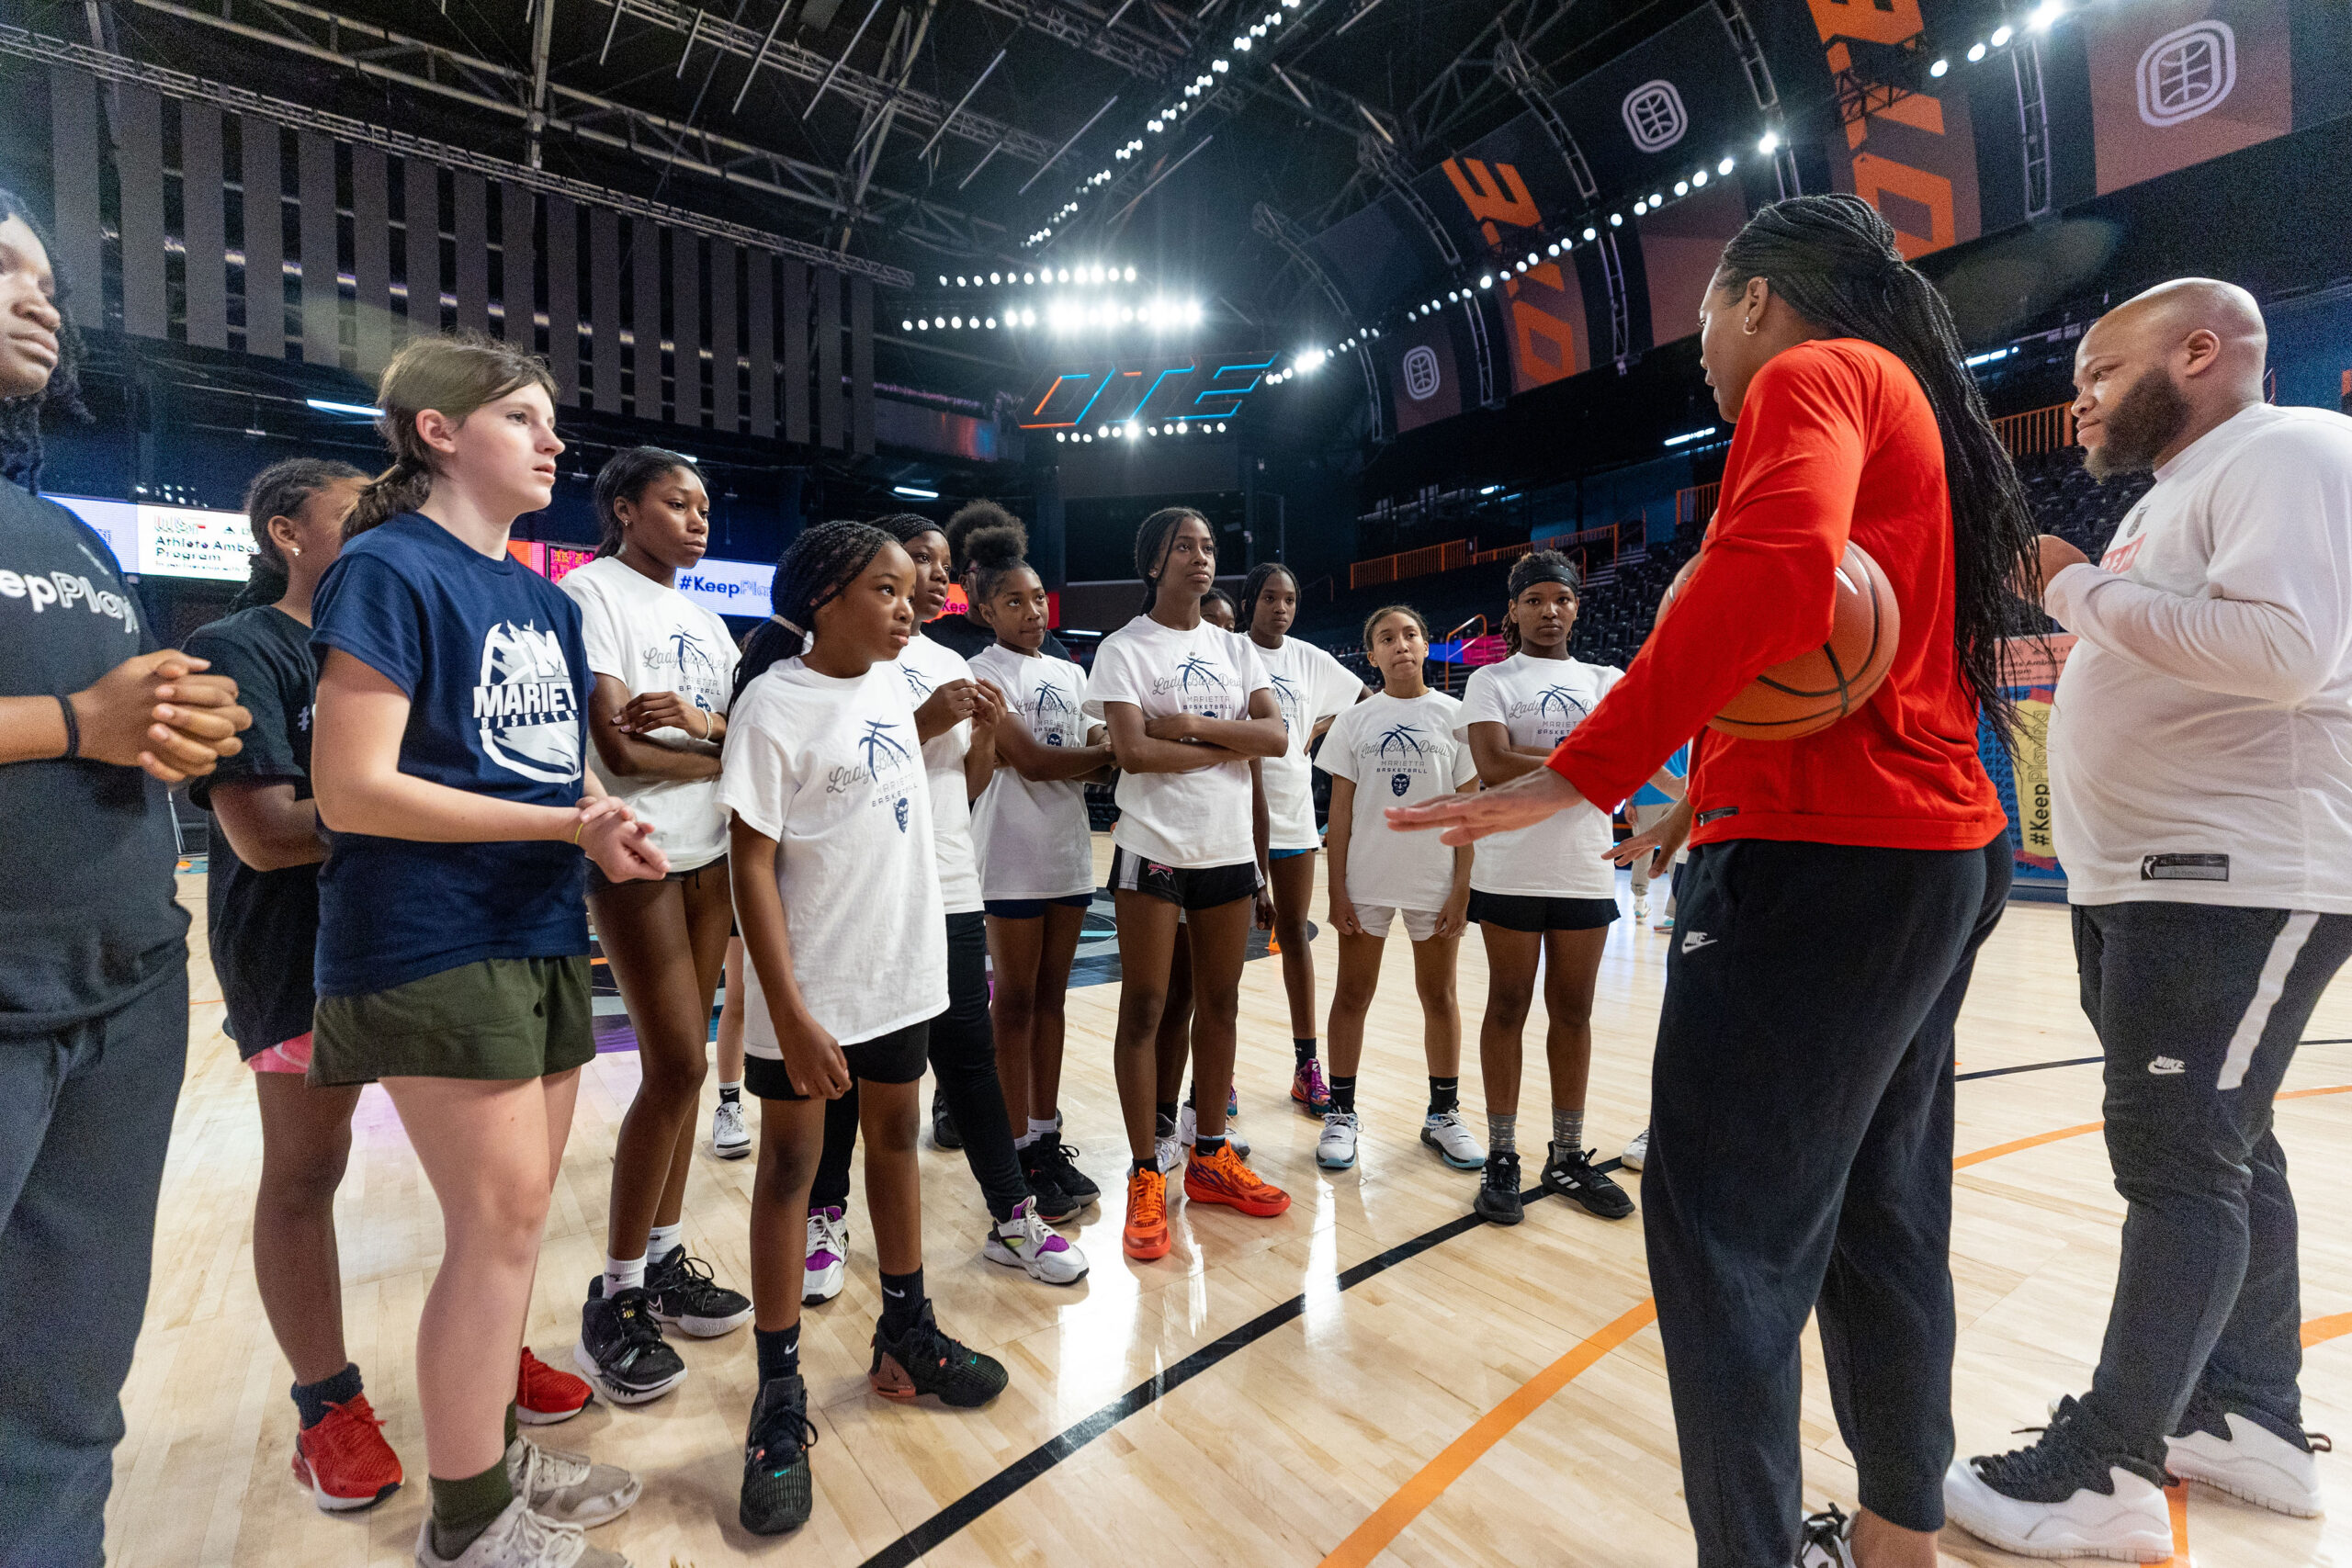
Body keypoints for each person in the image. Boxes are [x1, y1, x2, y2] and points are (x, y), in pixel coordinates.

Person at [1390, 195, 2034, 1568]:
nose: (1701, 360)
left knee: (1723, 1236)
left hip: (1827, 865)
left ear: (1755, 299)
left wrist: (1587, 768)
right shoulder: (1906, 397)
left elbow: (1789, 584)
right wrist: (1703, 786)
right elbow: (1843, 671)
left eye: (1702, 325)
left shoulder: (1813, 369)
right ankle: (1897, 1533)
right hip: (1931, 844)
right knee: (1884, 1205)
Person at [1944, 282, 2352, 1559]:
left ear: (2200, 350)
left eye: (2101, 372)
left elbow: (2288, 651)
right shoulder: (2176, 495)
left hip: (2243, 872)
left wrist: (2069, 591)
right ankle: (2249, 1417)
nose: (2080, 402)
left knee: (2179, 1163)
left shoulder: (2287, 450)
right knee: (2228, 1149)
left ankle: (2105, 1468)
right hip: (2160, 878)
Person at [308, 332, 664, 1568]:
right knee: (496, 1221)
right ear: (438, 431)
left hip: (538, 922)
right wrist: (563, 819)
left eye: (551, 419)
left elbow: (547, 769)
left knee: (517, 1226)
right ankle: (465, 1526)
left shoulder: (544, 599)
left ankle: (494, 1460)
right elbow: (354, 789)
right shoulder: (386, 568)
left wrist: (598, 826)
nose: (554, 439)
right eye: (523, 416)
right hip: (429, 931)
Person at [0, 191, 254, 1568]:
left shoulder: (64, 530)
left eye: (46, 276)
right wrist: (74, 724)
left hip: (120, 995)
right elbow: (78, 716)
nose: (40, 298)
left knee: (63, 1394)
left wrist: (174, 725)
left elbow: (121, 719)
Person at [721, 522, 1011, 1538]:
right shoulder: (772, 704)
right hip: (815, 985)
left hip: (902, 968)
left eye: (910, 590)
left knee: (895, 1143)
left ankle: (905, 1334)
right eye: (885, 590)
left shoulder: (895, 684)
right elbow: (748, 865)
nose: (908, 604)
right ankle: (778, 1390)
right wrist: (786, 1010)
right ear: (823, 598)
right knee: (791, 1175)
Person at [191, 459, 413, 1512]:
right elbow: (268, 833)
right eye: (353, 511)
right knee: (306, 1173)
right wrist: (423, 813)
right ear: (287, 532)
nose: (378, 526)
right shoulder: (238, 647)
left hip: (416, 937)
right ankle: (327, 1407)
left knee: (479, 1173)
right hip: (297, 951)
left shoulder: (392, 638)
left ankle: (485, 1359)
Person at [797, 513, 1087, 1301]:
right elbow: (843, 773)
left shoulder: (944, 660)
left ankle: (1012, 1215)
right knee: (851, 1068)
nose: (933, 575)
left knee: (970, 1057)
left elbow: (964, 785)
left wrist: (985, 734)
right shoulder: (834, 662)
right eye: (915, 562)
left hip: (949, 880)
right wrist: (933, 718)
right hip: (860, 887)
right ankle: (826, 1216)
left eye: (940, 564)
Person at [561, 446, 752, 1408]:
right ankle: (618, 1289)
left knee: (683, 1062)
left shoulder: (706, 617)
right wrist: (711, 750)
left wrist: (707, 740)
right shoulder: (591, 595)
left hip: (711, 852)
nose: (695, 516)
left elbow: (741, 735)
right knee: (677, 1063)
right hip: (638, 850)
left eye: (703, 502)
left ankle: (665, 1259)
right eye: (675, 501)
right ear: (625, 509)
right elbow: (619, 751)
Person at [1087, 507, 1291, 1261]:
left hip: (1228, 850)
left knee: (1222, 1001)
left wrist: (1187, 729)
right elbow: (1133, 754)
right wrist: (1216, 744)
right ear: (1154, 562)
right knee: (1143, 1007)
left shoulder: (1237, 649)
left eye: (1208, 547)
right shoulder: (1123, 648)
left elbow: (1277, 737)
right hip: (1154, 849)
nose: (1202, 558)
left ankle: (1210, 1153)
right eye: (1185, 547)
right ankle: (1147, 1169)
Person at [1455, 552, 1652, 1226]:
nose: (1549, 610)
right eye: (1533, 599)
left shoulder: (1606, 678)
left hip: (1585, 865)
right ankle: (1502, 1154)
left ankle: (1566, 1155)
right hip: (1509, 865)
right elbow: (1491, 763)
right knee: (1506, 1005)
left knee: (1574, 1012)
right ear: (1511, 610)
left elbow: (1624, 762)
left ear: (1577, 606)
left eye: (1560, 599)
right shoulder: (1489, 679)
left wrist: (1562, 765)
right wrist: (1586, 763)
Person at [964, 518, 1114, 1218]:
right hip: (1011, 858)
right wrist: (1102, 756)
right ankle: (1014, 1146)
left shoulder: (1070, 670)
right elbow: (1030, 759)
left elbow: (1088, 747)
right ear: (986, 609)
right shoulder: (980, 671)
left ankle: (1046, 1135)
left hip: (1066, 852)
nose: (1032, 612)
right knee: (1014, 1003)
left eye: (1038, 600)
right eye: (1015, 602)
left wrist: (1098, 753)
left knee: (1052, 998)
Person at [1311, 605, 1482, 1172]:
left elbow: (1468, 810)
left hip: (1434, 880)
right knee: (1352, 996)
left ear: (1427, 645)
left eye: (1410, 634)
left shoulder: (1456, 717)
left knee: (1440, 997)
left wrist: (1463, 888)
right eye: (1387, 637)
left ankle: (1443, 1115)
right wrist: (1335, 889)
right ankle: (1341, 1112)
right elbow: (1338, 811)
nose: (1400, 644)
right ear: (1373, 654)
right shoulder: (1355, 722)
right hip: (1367, 879)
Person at [1241, 561, 1367, 1118]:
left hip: (1292, 817)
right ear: (1251, 602)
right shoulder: (1229, 652)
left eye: (1289, 599)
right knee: (1221, 957)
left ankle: (1306, 1065)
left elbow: (1366, 699)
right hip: (1230, 818)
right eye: (1270, 598)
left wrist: (1316, 734)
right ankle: (1218, 1076)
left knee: (1294, 935)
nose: (1281, 609)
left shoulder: (1309, 658)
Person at [919, 499, 1076, 663]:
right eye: (987, 568)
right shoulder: (934, 638)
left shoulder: (1043, 641)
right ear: (964, 582)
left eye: (1007, 566)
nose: (1000, 577)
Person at [1624, 741, 1689, 928]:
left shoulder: (1647, 725)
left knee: (1641, 852)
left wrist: (1629, 801)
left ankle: (1639, 904)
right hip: (1678, 796)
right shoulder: (1688, 724)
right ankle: (1673, 915)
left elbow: (1635, 762)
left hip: (1646, 795)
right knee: (1676, 856)